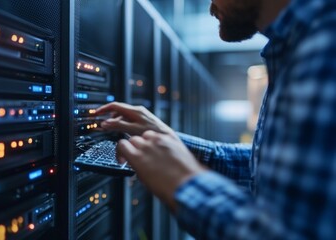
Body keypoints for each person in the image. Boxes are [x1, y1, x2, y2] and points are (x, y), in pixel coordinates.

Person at [95, 0, 336, 239]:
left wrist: (183, 182)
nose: (210, 7)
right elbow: (270, 169)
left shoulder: (324, 47)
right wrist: (171, 142)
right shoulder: (300, 44)